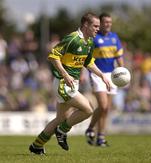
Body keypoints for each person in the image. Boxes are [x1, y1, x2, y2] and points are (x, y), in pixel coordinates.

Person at [29, 12, 110, 155]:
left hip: (73, 83)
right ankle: (62, 131)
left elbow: (88, 62)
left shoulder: (89, 41)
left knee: (61, 119)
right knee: (88, 109)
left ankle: (36, 146)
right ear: (85, 25)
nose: (98, 29)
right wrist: (65, 75)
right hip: (63, 83)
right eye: (95, 26)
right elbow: (54, 56)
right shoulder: (73, 38)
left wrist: (101, 75)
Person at [85, 13, 124, 147]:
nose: (108, 24)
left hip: (112, 75)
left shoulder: (114, 38)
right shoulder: (94, 38)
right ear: (100, 23)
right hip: (97, 74)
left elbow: (119, 57)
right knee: (103, 105)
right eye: (105, 22)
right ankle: (90, 128)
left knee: (106, 109)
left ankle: (100, 137)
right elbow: (86, 58)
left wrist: (122, 72)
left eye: (110, 22)